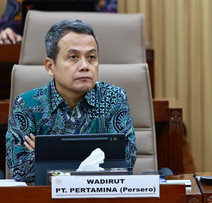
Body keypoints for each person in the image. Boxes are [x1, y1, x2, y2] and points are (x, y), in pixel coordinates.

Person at [5, 19, 136, 182]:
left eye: (91, 57)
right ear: (50, 67)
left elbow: (125, 164)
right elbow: (19, 170)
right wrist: (90, 160)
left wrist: (46, 155)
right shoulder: (27, 104)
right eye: (73, 57)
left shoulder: (114, 99)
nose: (85, 66)